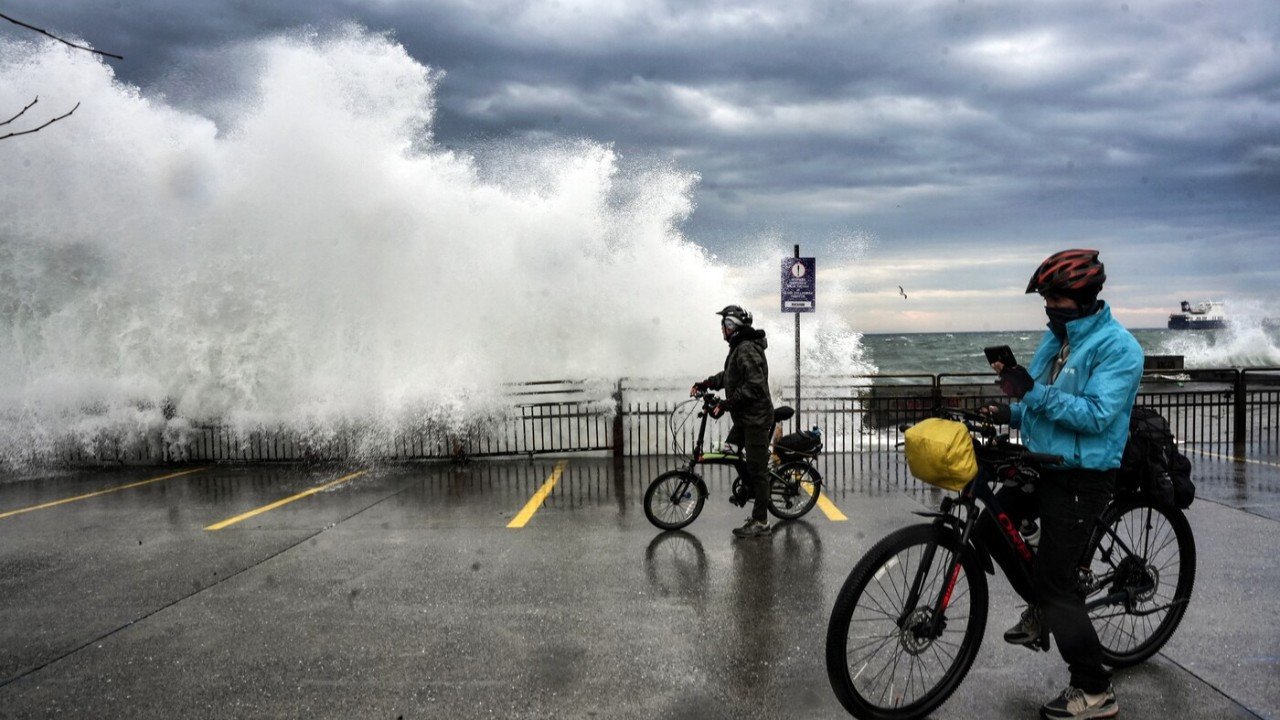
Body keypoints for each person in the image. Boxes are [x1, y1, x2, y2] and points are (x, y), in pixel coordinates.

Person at [977, 249, 1143, 720]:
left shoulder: (1119, 348)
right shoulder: (1057, 340)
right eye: (1046, 298)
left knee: (1055, 583)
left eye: (1056, 297)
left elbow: (1094, 415)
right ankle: (1045, 608)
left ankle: (1094, 690)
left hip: (1083, 475)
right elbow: (1041, 402)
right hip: (1043, 461)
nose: (1049, 306)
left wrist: (1031, 390)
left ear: (1085, 296)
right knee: (992, 520)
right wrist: (1009, 408)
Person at [690, 305, 775, 539]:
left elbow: (754, 385)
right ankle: (749, 487)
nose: (722, 331)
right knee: (731, 450)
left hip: (756, 420)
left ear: (731, 327)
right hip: (745, 418)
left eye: (723, 326)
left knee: (758, 470)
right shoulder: (739, 348)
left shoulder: (747, 348)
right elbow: (729, 377)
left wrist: (727, 404)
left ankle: (761, 521)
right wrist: (705, 384)